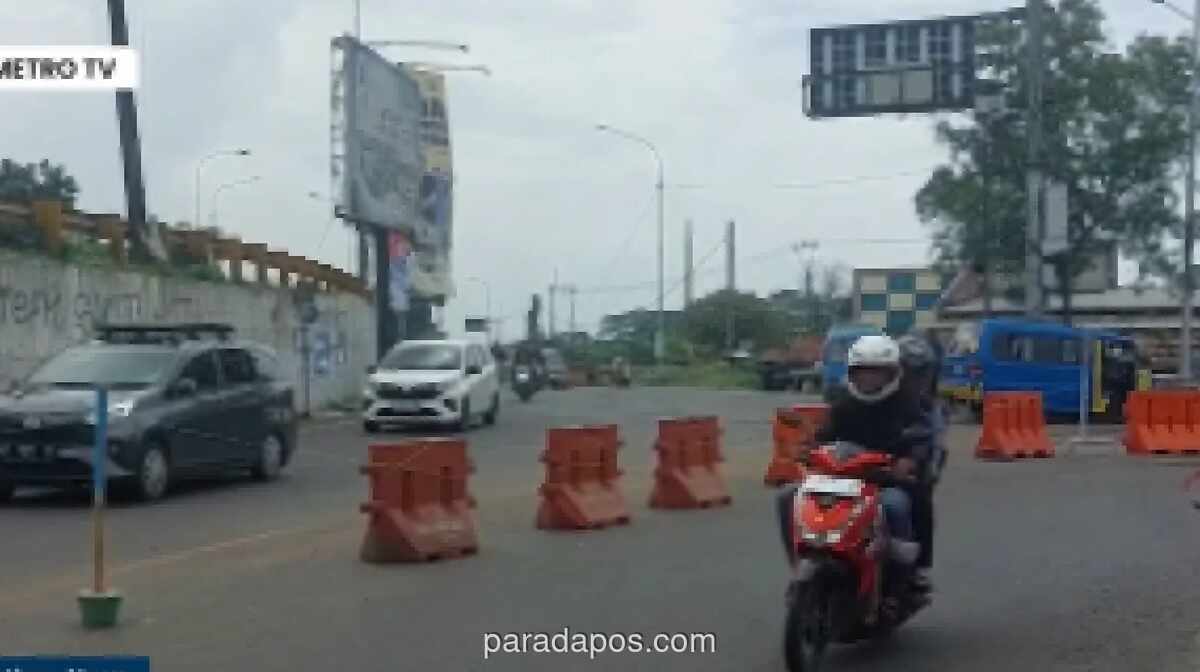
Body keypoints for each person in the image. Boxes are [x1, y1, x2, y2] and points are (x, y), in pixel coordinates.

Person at [776, 335, 927, 574]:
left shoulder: (906, 404)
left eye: (876, 372)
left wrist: (910, 460)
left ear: (892, 374)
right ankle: (800, 561)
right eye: (862, 372)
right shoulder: (844, 404)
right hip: (842, 477)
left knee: (895, 504)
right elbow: (825, 435)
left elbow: (920, 437)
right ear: (852, 373)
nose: (868, 378)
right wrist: (809, 449)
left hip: (884, 479)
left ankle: (904, 571)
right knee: (787, 496)